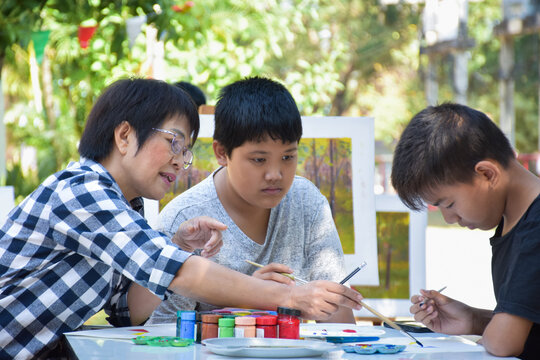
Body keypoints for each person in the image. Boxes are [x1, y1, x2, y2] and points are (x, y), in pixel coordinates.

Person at [0, 78, 364, 359]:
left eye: (187, 150)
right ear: (125, 136)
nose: (181, 160)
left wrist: (172, 248)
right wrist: (292, 295)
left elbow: (128, 311)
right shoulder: (81, 191)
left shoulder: (127, 207)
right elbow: (184, 274)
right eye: (174, 142)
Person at [147, 76, 355, 325]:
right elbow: (165, 332)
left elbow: (339, 320)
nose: (275, 174)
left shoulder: (307, 202)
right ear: (222, 153)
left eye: (288, 157)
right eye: (259, 160)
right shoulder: (184, 223)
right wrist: (252, 300)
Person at [390, 103, 540, 359]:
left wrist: (496, 329)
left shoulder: (534, 229)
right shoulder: (514, 222)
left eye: (448, 204)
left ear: (486, 173)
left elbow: (504, 344)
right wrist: (473, 319)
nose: (449, 218)